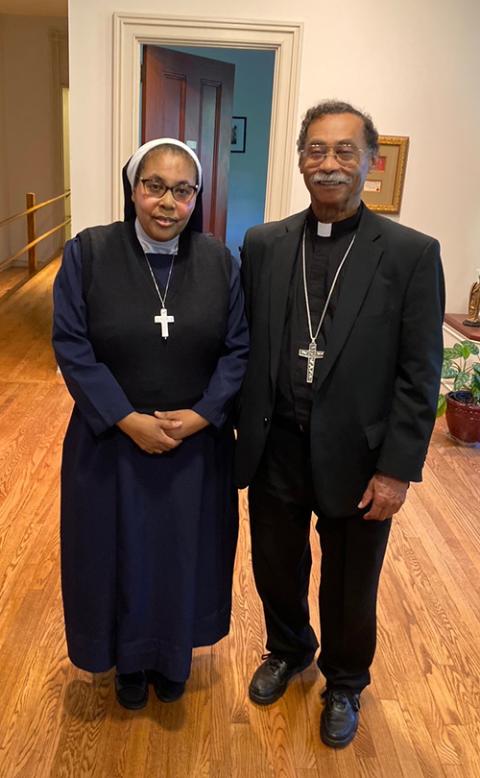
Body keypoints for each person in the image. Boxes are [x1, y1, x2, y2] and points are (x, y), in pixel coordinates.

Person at [235, 101, 445, 748]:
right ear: (300, 159)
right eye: (316, 150)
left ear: (370, 162)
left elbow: (420, 371)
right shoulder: (264, 244)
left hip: (359, 458)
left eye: (344, 151)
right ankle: (289, 648)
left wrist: (398, 469)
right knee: (274, 565)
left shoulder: (410, 254)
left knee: (353, 580)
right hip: (275, 444)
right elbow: (243, 342)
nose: (329, 164)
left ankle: (346, 681)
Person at [53, 138, 249, 710]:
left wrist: (203, 414)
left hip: (193, 446)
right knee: (115, 552)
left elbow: (239, 348)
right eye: (154, 186)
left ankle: (173, 655)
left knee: (181, 554)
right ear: (133, 189)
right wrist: (124, 418)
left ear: (196, 198)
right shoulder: (87, 253)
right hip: (109, 443)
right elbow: (71, 343)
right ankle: (126, 663)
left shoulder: (219, 261)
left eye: (182, 190)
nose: (167, 202)